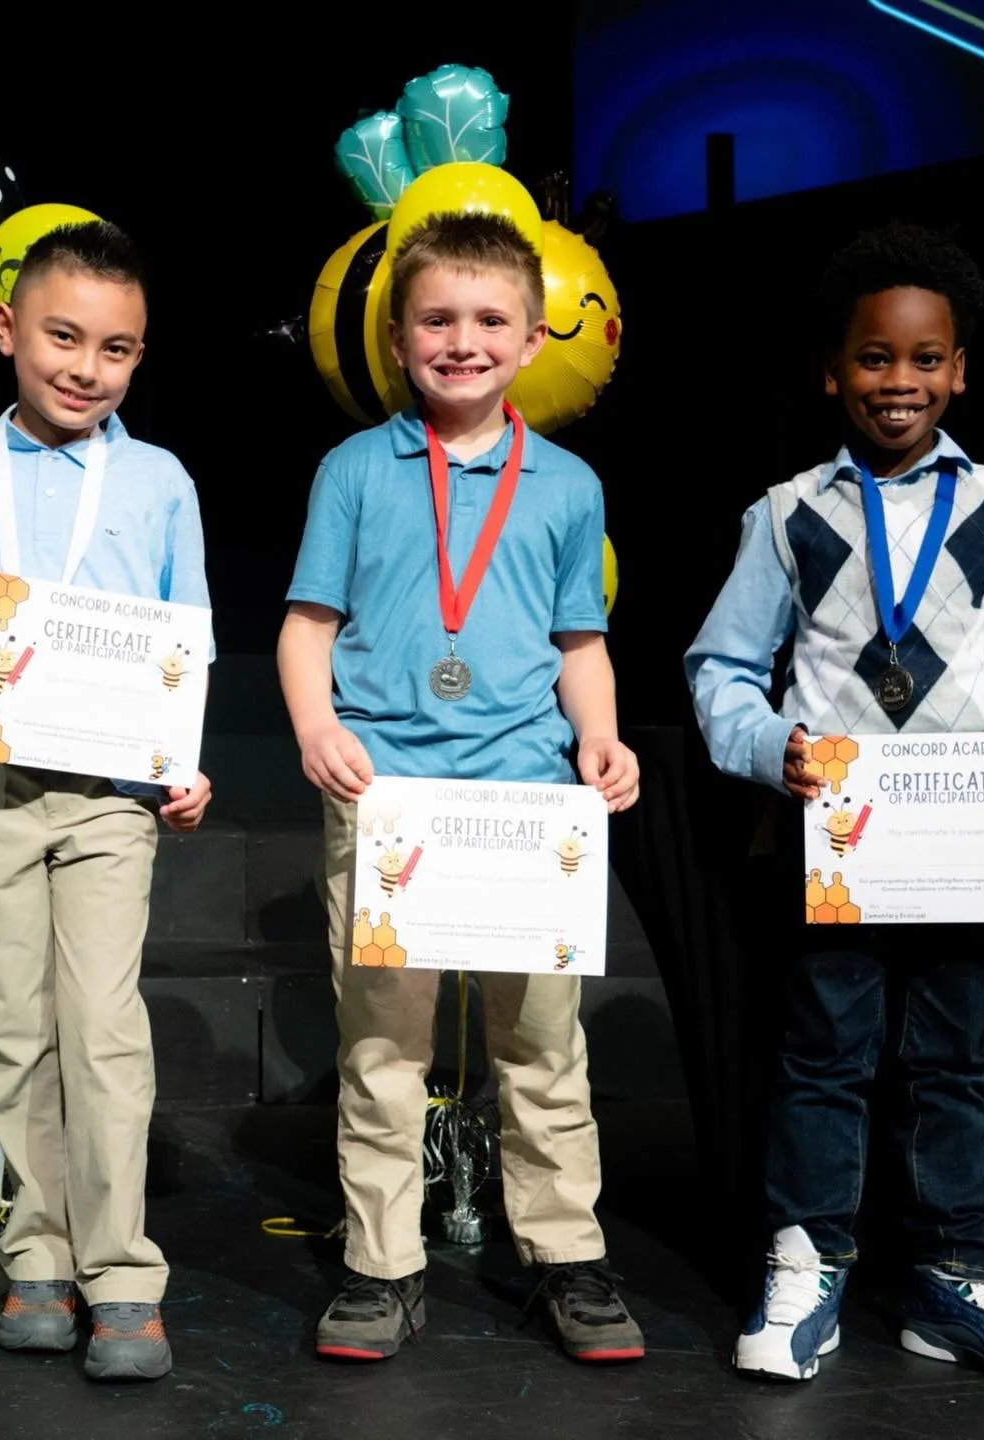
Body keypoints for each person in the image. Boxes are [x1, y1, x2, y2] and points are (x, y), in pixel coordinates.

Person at [685, 220, 984, 1388]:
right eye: (875, 359)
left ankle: (956, 1279)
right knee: (824, 1055)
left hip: (972, 842)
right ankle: (807, 1260)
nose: (899, 383)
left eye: (925, 361)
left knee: (955, 1064)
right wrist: (775, 747)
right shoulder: (789, 514)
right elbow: (718, 670)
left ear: (960, 369)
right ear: (833, 369)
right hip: (845, 843)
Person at [277, 211, 644, 1364]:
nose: (463, 340)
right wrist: (313, 723)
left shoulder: (569, 484)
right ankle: (383, 1267)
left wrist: (604, 741)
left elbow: (580, 640)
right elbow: (307, 624)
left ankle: (565, 1257)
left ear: (533, 339)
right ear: (397, 338)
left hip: (529, 810)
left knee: (542, 1047)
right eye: (438, 319)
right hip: (390, 804)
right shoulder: (353, 469)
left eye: (491, 320)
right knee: (385, 1051)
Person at [0, 221, 213, 1383]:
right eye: (63, 336)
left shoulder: (158, 480)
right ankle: (37, 1257)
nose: (86, 366)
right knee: (8, 1025)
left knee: (105, 1025)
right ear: (9, 329)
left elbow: (188, 641)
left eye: (116, 349)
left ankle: (123, 1274)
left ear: (139, 356)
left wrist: (186, 762)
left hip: (113, 787)